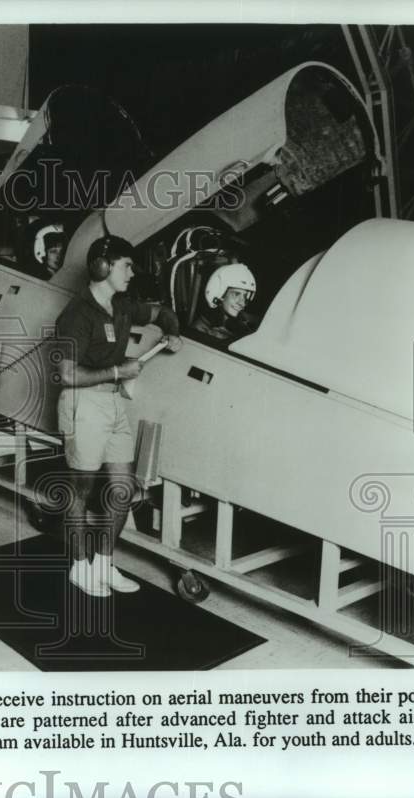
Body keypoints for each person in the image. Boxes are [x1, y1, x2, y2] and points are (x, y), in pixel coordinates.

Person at [55, 234, 183, 597]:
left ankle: (103, 564)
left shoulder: (123, 305)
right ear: (103, 266)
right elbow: (66, 374)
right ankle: (80, 569)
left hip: (113, 404)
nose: (132, 272)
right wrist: (117, 372)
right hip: (83, 404)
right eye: (126, 265)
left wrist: (174, 332)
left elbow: (162, 314)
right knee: (81, 491)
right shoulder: (76, 314)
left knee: (124, 490)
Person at [192, 263, 258, 341]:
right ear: (219, 292)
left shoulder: (241, 323)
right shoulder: (199, 329)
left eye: (245, 296)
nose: (242, 303)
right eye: (236, 294)